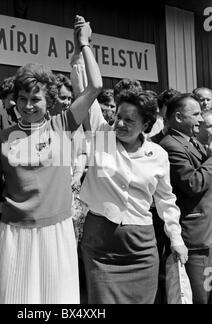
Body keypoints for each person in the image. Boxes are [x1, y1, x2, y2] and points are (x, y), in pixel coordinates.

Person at [0, 16, 102, 304]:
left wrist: (84, 45)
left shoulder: (63, 124)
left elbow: (95, 87)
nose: (28, 106)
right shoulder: (1, 139)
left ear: (50, 100)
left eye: (35, 99)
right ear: (14, 100)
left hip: (58, 231)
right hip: (14, 234)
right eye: (22, 99)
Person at [70, 53, 188, 304]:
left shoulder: (157, 154)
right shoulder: (102, 136)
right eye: (118, 117)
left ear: (146, 123)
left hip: (141, 248)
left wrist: (176, 239)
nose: (119, 124)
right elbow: (85, 92)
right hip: (100, 245)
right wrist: (81, 52)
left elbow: (166, 200)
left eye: (129, 120)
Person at [160, 93, 212, 304]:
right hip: (194, 238)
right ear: (179, 117)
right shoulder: (171, 145)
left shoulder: (192, 142)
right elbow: (193, 183)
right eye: (196, 114)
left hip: (206, 233)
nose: (200, 119)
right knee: (201, 297)